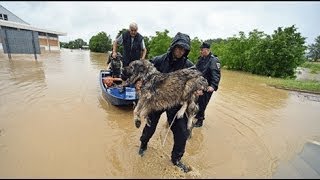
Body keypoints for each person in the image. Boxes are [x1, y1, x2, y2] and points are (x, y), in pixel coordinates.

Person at [136, 32, 195, 173]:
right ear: (173, 46)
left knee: (182, 131)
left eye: (184, 49)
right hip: (157, 100)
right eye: (179, 48)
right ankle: (143, 144)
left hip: (175, 103)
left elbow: (195, 81)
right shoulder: (158, 60)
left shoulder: (189, 66)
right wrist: (139, 81)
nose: (180, 51)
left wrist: (196, 90)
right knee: (149, 127)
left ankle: (176, 159)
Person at [194, 42, 221, 127]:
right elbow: (195, 69)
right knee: (196, 101)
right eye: (200, 50)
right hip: (199, 85)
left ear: (207, 50)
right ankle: (196, 115)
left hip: (207, 87)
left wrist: (213, 86)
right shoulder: (201, 59)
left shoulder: (214, 60)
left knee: (202, 104)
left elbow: (216, 74)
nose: (200, 51)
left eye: (202, 50)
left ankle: (200, 121)